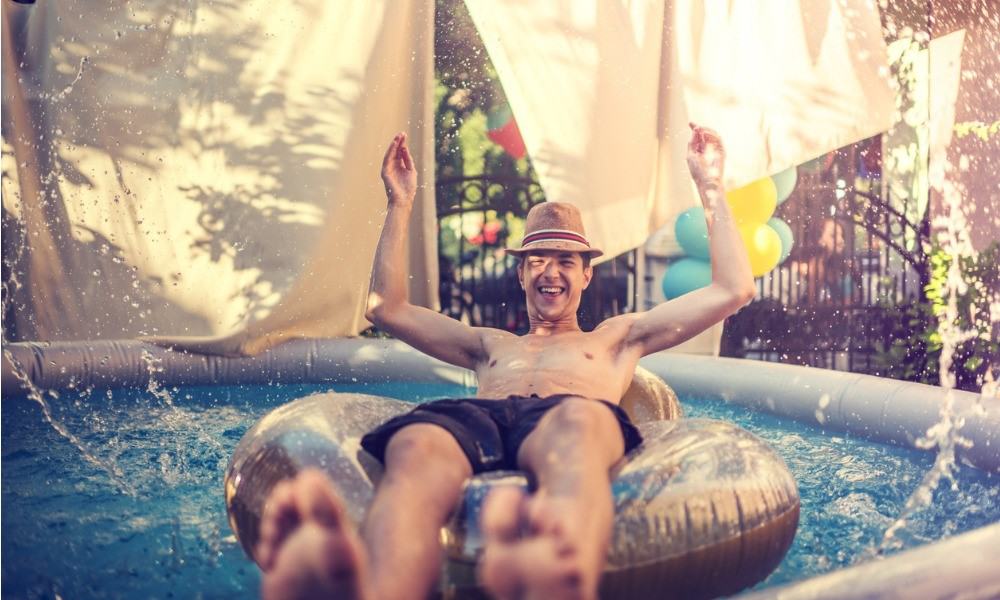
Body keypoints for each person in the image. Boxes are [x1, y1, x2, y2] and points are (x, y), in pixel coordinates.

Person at [255, 125, 755, 600]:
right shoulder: (489, 345)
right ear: (520, 274)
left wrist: (710, 186)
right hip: (480, 420)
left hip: (566, 413)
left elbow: (733, 290)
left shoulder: (616, 338)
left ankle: (556, 577)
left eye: (565, 261)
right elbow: (386, 307)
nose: (550, 271)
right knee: (416, 441)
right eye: (537, 260)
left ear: (585, 277)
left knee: (579, 426)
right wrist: (399, 203)